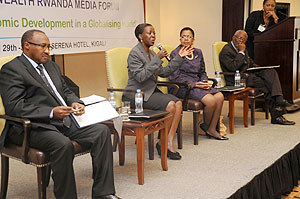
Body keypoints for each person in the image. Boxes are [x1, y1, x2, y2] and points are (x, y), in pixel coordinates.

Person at [0, 29, 119, 199]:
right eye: (43, 46)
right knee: (63, 144)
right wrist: (50, 112)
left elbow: (65, 90)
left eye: (49, 46)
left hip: (62, 120)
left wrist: (75, 102)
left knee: (101, 131)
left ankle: (103, 193)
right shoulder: (12, 69)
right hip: (32, 126)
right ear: (27, 46)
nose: (48, 51)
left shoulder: (52, 65)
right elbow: (15, 106)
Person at [122, 23, 193, 160]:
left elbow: (164, 72)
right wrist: (157, 59)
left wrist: (179, 56)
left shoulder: (152, 52)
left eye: (154, 33)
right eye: (149, 33)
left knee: (178, 103)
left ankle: (166, 141)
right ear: (140, 36)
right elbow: (140, 77)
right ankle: (165, 143)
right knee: (171, 105)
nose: (153, 36)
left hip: (150, 92)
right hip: (136, 95)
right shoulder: (135, 53)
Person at [219, 30, 295, 125]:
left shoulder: (242, 48)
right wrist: (241, 52)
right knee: (267, 85)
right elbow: (233, 67)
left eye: (244, 39)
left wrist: (259, 68)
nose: (241, 41)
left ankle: (279, 101)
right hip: (237, 79)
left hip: (249, 74)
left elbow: (249, 62)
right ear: (233, 37)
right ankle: (277, 113)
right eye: (239, 38)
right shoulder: (226, 51)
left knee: (270, 71)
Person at [169, 27, 228, 141]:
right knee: (210, 101)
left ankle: (211, 129)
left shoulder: (198, 52)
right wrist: (195, 84)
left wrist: (204, 81)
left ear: (193, 39)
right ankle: (205, 126)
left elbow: (202, 71)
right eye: (183, 36)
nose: (186, 39)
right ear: (180, 39)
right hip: (184, 87)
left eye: (189, 36)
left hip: (198, 84)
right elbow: (175, 77)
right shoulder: (175, 54)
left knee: (220, 96)